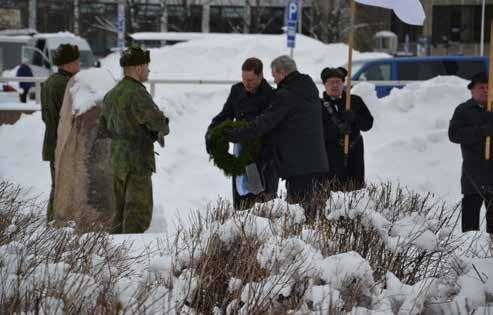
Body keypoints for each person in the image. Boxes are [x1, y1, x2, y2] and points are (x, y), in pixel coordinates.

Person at [224, 55, 329, 220]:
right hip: (317, 164)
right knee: (317, 215)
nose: (274, 80)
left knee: (301, 217)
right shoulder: (309, 88)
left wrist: (235, 135)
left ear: (282, 73)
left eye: (274, 76)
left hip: (298, 167)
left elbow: (264, 123)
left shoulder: (286, 94)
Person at [100, 47, 170, 234]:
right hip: (137, 161)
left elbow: (103, 127)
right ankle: (132, 257)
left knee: (118, 212)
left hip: (117, 160)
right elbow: (158, 123)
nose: (148, 71)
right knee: (137, 213)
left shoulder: (111, 94)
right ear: (138, 69)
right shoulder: (138, 94)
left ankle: (114, 256)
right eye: (147, 67)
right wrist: (163, 123)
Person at [205, 57, 277, 210]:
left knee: (262, 208)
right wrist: (212, 132)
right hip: (240, 154)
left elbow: (270, 129)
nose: (246, 84)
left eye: (250, 80)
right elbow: (225, 115)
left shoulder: (271, 96)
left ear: (260, 75)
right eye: (244, 79)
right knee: (241, 206)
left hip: (263, 159)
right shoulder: (237, 91)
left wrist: (261, 158)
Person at [449, 72, 493, 250]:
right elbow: (454, 135)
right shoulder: (463, 110)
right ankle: (469, 255)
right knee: (470, 225)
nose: (485, 90)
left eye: (488, 87)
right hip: (472, 173)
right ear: (472, 90)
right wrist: (483, 131)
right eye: (481, 87)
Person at [41, 44, 81, 221]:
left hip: (51, 141)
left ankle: (51, 222)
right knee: (64, 187)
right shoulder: (67, 84)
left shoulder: (50, 81)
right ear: (69, 64)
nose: (79, 65)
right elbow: (72, 116)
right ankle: (57, 223)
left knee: (56, 184)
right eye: (77, 61)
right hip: (64, 143)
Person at [320, 67, 374, 191]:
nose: (334, 85)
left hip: (353, 157)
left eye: (338, 82)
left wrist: (354, 117)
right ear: (325, 85)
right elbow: (316, 132)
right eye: (330, 82)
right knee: (332, 193)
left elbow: (368, 124)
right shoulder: (319, 106)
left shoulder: (354, 101)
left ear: (343, 83)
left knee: (354, 192)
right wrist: (336, 130)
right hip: (330, 158)